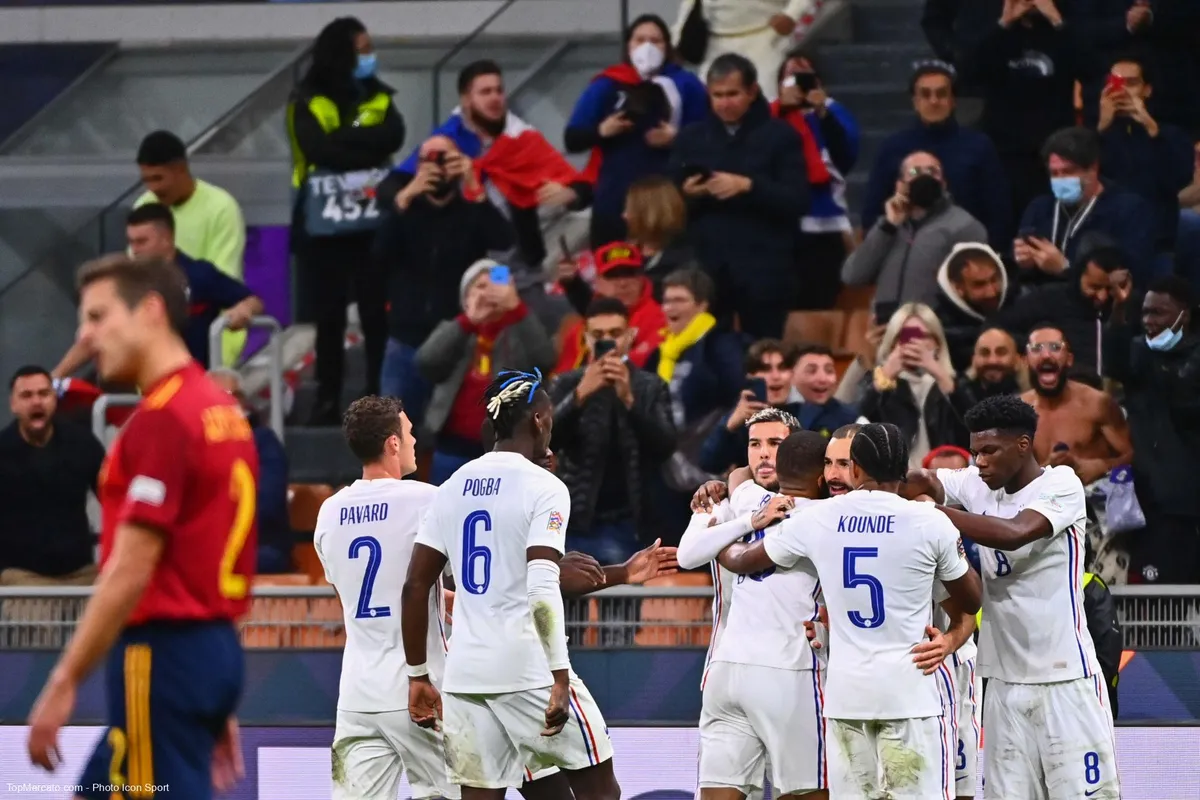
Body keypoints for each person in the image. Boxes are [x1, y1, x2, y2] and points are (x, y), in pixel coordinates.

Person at [26, 254, 255, 796]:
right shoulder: (217, 408)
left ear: (151, 311)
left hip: (162, 651)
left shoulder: (161, 419)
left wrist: (63, 682)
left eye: (99, 316)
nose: (85, 336)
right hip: (208, 649)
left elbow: (131, 567)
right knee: (99, 789)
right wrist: (208, 690)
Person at [717, 423, 982, 800]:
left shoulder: (816, 519)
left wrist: (721, 534)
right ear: (903, 470)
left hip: (845, 700)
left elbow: (743, 561)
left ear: (856, 469)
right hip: (910, 696)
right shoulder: (928, 520)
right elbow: (971, 601)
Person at [400, 370, 621, 800]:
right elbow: (541, 584)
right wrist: (559, 675)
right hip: (530, 670)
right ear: (539, 421)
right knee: (602, 793)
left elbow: (415, 585)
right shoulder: (546, 486)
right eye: (551, 422)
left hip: (466, 676)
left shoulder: (451, 486)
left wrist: (417, 675)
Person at [904, 395, 1120, 799]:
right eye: (975, 452)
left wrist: (932, 513)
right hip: (1002, 684)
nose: (979, 461)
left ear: (1022, 445)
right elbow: (928, 481)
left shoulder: (1061, 485)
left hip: (1066, 680)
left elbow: (1016, 531)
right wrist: (884, 487)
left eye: (989, 451)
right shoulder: (975, 483)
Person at [311, 396, 455, 800]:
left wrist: (438, 600)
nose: (413, 441)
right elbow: (414, 581)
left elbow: (352, 592)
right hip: (421, 687)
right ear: (393, 443)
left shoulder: (329, 511)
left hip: (358, 696)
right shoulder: (429, 499)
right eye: (408, 433)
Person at [682, 431, 833, 800]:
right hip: (789, 668)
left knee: (720, 789)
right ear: (821, 477)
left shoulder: (748, 497)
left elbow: (737, 479)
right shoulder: (830, 516)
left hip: (727, 667)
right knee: (807, 790)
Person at [288, 17, 406, 424]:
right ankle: (327, 399)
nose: (369, 56)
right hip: (323, 229)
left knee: (376, 314)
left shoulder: (379, 96)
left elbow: (392, 137)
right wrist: (363, 151)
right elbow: (317, 149)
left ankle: (376, 398)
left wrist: (345, 144)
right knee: (329, 318)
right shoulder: (306, 98)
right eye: (362, 48)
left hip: (371, 228)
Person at [392, 60, 592, 271]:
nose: (495, 98)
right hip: (459, 266)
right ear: (466, 100)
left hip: (515, 267)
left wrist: (571, 194)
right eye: (485, 92)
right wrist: (408, 192)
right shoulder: (445, 142)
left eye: (499, 90)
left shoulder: (522, 139)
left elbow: (585, 189)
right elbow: (392, 185)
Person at [375, 134, 514, 429]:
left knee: (455, 433)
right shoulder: (404, 211)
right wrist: (405, 197)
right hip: (406, 337)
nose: (437, 167)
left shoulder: (472, 213)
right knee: (391, 435)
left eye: (445, 158)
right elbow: (377, 258)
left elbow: (505, 242)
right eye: (429, 160)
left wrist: (474, 186)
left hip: (457, 338)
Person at [670, 53, 809, 338]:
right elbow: (669, 202)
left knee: (763, 352)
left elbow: (797, 200)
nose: (724, 103)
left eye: (733, 93)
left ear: (752, 91)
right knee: (705, 355)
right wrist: (687, 193)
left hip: (765, 269)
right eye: (717, 95)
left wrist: (748, 186)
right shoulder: (691, 138)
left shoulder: (780, 136)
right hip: (707, 268)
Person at [53, 205, 264, 378]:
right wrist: (55, 377)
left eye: (142, 241)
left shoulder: (199, 275)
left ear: (167, 238)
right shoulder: (126, 283)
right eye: (131, 242)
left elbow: (253, 301)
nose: (135, 250)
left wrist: (242, 311)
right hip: (145, 389)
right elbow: (93, 336)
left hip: (193, 381)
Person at [548, 298, 676, 563]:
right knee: (570, 603)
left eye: (615, 334)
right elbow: (546, 441)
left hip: (630, 521)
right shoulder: (565, 383)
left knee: (624, 603)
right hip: (574, 519)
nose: (607, 341)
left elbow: (665, 446)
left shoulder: (651, 386)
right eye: (598, 335)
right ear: (586, 338)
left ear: (630, 336)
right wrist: (579, 396)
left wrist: (630, 400)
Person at [565, 14, 708, 247]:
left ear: (668, 46)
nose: (648, 47)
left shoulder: (687, 84)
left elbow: (709, 139)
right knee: (614, 274)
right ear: (628, 45)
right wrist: (601, 131)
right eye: (640, 40)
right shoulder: (607, 84)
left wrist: (676, 138)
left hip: (666, 200)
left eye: (656, 40)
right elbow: (572, 139)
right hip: (615, 199)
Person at [417, 260, 557, 485]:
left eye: (495, 286)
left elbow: (545, 361)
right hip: (452, 447)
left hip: (506, 449)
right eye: (480, 287)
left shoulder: (521, 328)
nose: (489, 293)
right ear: (465, 297)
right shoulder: (457, 328)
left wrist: (516, 309)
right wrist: (468, 322)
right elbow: (426, 363)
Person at [1105, 274, 1200, 584]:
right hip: (1152, 501)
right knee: (1157, 604)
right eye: (1144, 312)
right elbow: (1115, 362)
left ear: (1183, 315)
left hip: (1188, 495)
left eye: (1158, 312)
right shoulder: (1139, 353)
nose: (1148, 320)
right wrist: (1119, 309)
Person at [862, 62, 1010, 248]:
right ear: (915, 102)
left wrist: (986, 253)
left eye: (941, 94)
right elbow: (873, 213)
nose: (934, 101)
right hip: (905, 251)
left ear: (953, 100)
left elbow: (998, 211)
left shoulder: (979, 146)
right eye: (925, 94)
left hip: (966, 253)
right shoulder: (892, 147)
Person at [962, 0, 1082, 224]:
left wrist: (1056, 19)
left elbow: (1090, 67)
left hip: (1054, 150)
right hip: (1006, 150)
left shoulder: (1063, 30)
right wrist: (1004, 23)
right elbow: (969, 72)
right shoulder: (994, 30)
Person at [134, 130, 247, 366]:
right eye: (146, 179)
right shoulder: (143, 206)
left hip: (210, 349)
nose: (152, 188)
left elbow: (224, 282)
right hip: (158, 351)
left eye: (158, 178)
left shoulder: (221, 207)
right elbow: (136, 277)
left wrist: (220, 362)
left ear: (181, 169)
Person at [844, 150, 989, 311]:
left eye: (932, 171)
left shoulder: (964, 226)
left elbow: (978, 291)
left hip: (934, 329)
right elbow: (852, 276)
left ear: (944, 183)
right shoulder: (887, 226)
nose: (924, 176)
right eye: (914, 171)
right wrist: (889, 226)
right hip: (885, 328)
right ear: (900, 184)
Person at [0, 365, 105, 586]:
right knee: (40, 620)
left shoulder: (81, 444)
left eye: (43, 394)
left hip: (81, 573)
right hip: (22, 576)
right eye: (26, 396)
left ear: (54, 400)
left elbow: (115, 495)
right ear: (14, 405)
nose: (36, 402)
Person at [1014, 126, 1156, 288]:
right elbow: (1022, 275)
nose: (1061, 180)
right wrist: (1023, 262)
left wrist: (1066, 269)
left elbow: (1135, 277)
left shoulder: (1129, 210)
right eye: (1054, 173)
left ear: (1093, 168)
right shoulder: (1039, 208)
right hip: (1041, 300)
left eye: (1068, 172)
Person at [774, 49, 860, 310]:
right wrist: (783, 108)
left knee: (821, 305)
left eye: (805, 76)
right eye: (791, 75)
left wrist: (821, 112)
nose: (798, 81)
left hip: (824, 226)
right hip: (782, 226)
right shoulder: (769, 113)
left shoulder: (832, 112)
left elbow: (845, 154)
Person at [1097, 54, 1194, 264]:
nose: (1122, 92)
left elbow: (1179, 178)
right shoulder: (1098, 135)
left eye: (1130, 84)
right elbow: (1085, 176)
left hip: (1158, 241)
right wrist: (1102, 127)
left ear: (1147, 90)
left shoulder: (1171, 134)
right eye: (1115, 84)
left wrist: (1152, 130)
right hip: (1105, 241)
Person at [996, 241, 1133, 376]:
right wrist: (1035, 346)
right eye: (1094, 287)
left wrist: (1119, 310)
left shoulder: (1131, 307)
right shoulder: (1050, 299)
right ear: (1079, 277)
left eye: (1110, 288)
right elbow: (997, 327)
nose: (1102, 296)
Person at [857, 303, 968, 467]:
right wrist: (885, 377)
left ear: (937, 342)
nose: (914, 344)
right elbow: (856, 421)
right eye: (906, 336)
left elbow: (974, 428)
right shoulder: (875, 382)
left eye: (922, 336)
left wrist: (942, 377)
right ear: (893, 342)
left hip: (945, 476)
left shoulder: (956, 383)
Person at [1021, 323, 1133, 485]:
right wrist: (1045, 471)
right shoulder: (1016, 412)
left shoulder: (1097, 404)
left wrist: (1101, 466)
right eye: (1037, 348)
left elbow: (1135, 458)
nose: (1046, 355)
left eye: (1055, 347)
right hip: (1037, 503)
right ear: (1025, 360)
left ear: (1069, 359)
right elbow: (1006, 475)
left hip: (1093, 501)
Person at [209, 368, 292, 575]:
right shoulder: (189, 443)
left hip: (258, 545)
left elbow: (267, 505)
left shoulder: (263, 442)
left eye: (228, 396)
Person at [554, 242, 668, 374]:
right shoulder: (580, 328)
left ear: (641, 278)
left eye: (629, 273)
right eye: (612, 275)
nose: (623, 283)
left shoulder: (660, 319)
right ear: (598, 282)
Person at [672, 0, 816, 103]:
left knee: (766, 102)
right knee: (712, 105)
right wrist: (677, 38)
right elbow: (690, 4)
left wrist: (792, 15)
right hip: (714, 44)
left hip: (764, 38)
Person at [698, 340, 805, 474]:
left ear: (792, 374)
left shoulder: (806, 413)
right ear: (750, 376)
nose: (776, 376)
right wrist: (729, 426)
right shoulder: (741, 417)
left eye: (782, 368)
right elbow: (708, 463)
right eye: (766, 369)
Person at [933, 243, 1014, 371]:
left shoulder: (1019, 303)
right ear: (957, 287)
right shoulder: (939, 326)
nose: (991, 292)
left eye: (994, 280)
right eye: (979, 285)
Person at [622, 176, 697, 298]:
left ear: (650, 214)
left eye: (630, 210)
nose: (624, 216)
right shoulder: (623, 253)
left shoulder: (685, 262)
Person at [950, 327, 1025, 416]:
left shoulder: (1032, 403)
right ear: (974, 360)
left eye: (1001, 352)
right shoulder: (956, 398)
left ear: (1017, 359)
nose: (992, 360)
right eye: (984, 353)